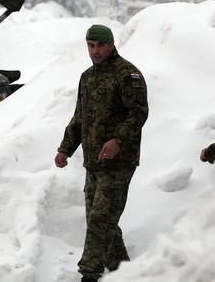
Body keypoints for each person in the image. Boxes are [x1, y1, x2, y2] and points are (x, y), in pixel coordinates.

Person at [54, 24, 148, 282]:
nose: (95, 51)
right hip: (93, 163)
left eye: (100, 46)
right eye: (90, 45)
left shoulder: (128, 74)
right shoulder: (87, 77)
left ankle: (89, 274)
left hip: (119, 163)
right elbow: (79, 118)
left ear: (111, 44)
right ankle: (124, 272)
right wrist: (65, 148)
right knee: (101, 221)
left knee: (100, 221)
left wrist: (117, 140)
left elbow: (138, 114)